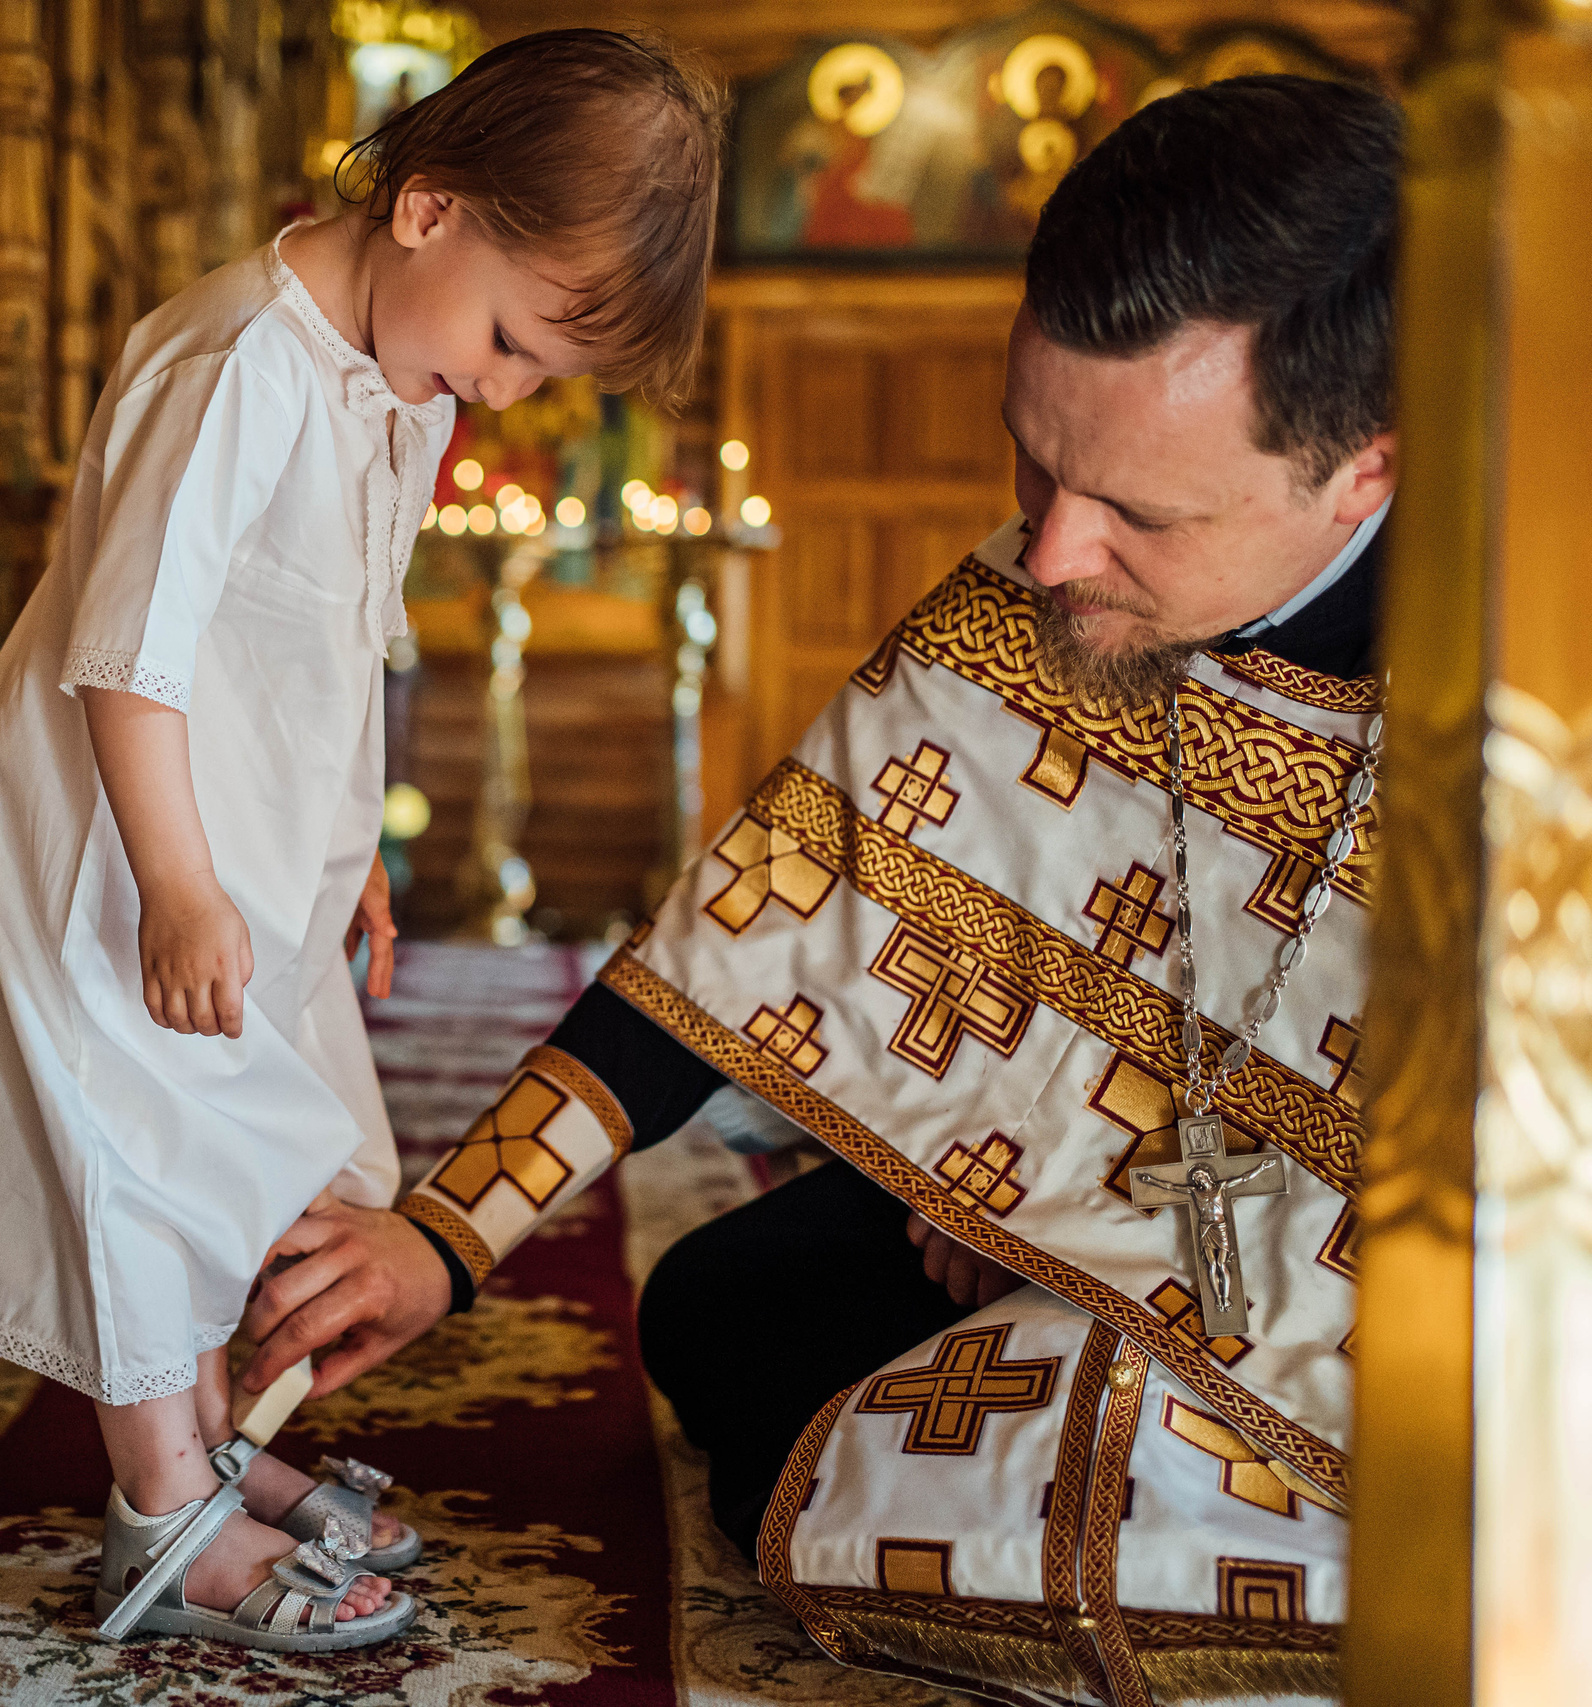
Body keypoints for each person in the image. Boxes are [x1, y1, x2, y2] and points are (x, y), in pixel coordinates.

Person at [244, 74, 1394, 1701]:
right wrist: (443, 1235)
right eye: (1031, 459)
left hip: (1391, 1325)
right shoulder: (1054, 591)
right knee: (719, 1312)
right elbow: (754, 928)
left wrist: (1084, 1236)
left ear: (1363, 471)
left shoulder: (1531, 686)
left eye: (1137, 511)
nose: (1050, 556)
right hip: (1079, 1237)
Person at [0, 29, 724, 1653]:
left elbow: (339, 643)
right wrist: (181, 888)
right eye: (512, 339)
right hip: (123, 842)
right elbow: (136, 649)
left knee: (235, 1160)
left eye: (542, 369)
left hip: (249, 839)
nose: (508, 388)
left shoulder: (394, 382)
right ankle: (160, 1520)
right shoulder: (240, 359)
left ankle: (201, 1457)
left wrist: (360, 860)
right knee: (144, 1162)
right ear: (427, 211)